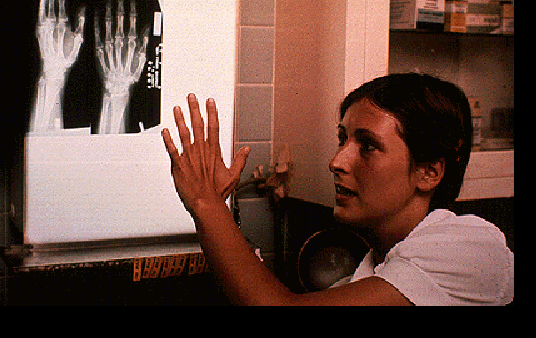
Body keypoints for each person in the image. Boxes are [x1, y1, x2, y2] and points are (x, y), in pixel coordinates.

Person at [161, 73, 514, 305]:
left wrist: (208, 205)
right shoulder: (372, 271)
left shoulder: (467, 246)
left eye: (368, 146)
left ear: (429, 172)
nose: (337, 161)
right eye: (343, 139)